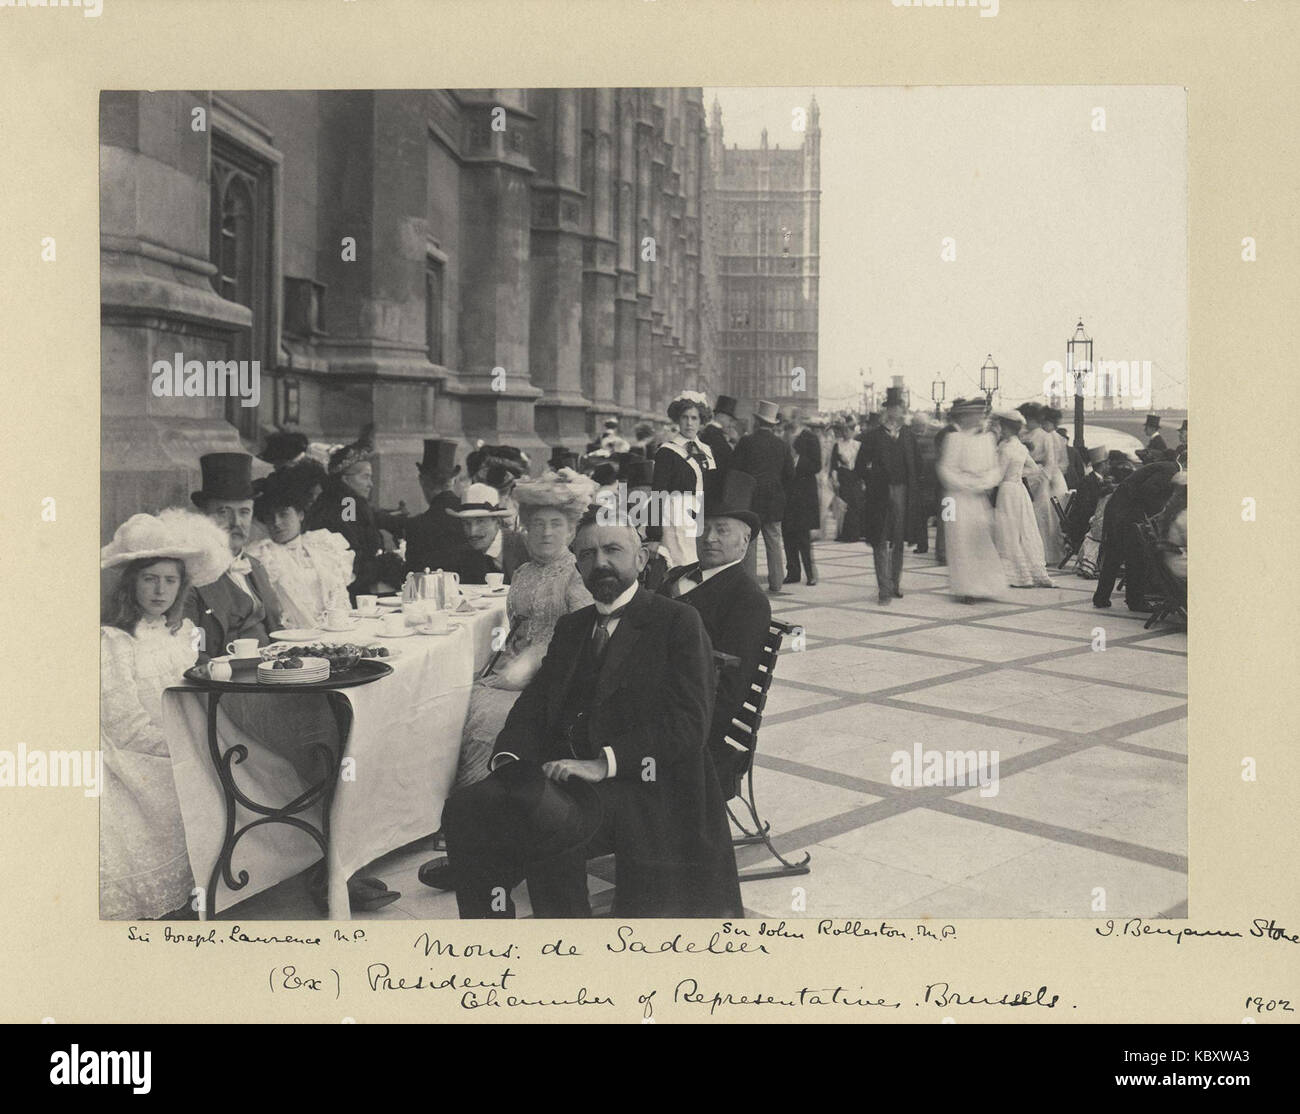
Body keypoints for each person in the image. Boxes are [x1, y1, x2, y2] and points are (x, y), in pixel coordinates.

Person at [439, 511, 743, 919]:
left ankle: (568, 940)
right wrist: (509, 759)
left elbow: (688, 725)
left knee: (548, 821)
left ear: (640, 559)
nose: (599, 562)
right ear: (577, 565)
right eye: (587, 553)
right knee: (466, 807)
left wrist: (603, 763)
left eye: (613, 550)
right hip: (567, 772)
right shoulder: (573, 626)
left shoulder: (677, 622)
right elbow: (537, 703)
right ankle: (490, 934)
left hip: (648, 781)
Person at [100, 509, 231, 919]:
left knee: (256, 767)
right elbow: (123, 725)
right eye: (150, 579)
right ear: (131, 583)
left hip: (185, 739)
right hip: (137, 756)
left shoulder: (180, 634)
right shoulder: (113, 641)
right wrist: (182, 747)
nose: (161, 590)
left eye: (170, 581)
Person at [657, 470, 771, 787]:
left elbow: (730, 692)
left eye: (722, 530)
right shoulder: (676, 575)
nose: (709, 538)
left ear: (745, 541)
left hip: (688, 725)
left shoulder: (746, 601)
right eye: (704, 527)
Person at [183, 453, 285, 656]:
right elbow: (193, 649)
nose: (236, 522)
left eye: (244, 512)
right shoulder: (193, 575)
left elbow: (276, 629)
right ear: (204, 516)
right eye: (223, 512)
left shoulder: (256, 565)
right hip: (226, 679)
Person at [303, 426, 406, 600]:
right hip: (353, 586)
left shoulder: (345, 500)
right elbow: (352, 546)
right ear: (346, 479)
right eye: (365, 477)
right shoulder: (348, 503)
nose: (371, 484)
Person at [246, 470, 355, 630]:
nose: (276, 523)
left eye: (284, 514)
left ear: (300, 515)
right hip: (288, 638)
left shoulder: (323, 545)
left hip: (332, 633)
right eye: (270, 517)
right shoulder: (260, 555)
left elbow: (339, 597)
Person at [935, 400, 1006, 601]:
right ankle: (966, 588)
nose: (978, 418)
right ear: (964, 417)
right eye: (973, 414)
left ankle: (985, 586)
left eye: (980, 414)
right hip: (957, 498)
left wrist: (985, 483)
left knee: (981, 540)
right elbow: (945, 469)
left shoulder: (987, 440)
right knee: (961, 542)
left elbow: (995, 469)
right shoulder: (954, 439)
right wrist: (966, 484)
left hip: (978, 497)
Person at [856, 387, 920, 605]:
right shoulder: (872, 437)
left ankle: (895, 583)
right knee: (880, 540)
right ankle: (884, 589)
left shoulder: (909, 437)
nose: (895, 412)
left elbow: (917, 467)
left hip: (902, 491)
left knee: (900, 540)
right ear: (886, 411)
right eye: (891, 408)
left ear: (903, 410)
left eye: (899, 408)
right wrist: (873, 478)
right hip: (879, 494)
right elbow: (859, 467)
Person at [1092, 458, 1181, 611]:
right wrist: (1157, 514)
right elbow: (1147, 491)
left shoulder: (1168, 468)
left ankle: (1102, 597)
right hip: (1127, 513)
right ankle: (1135, 601)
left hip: (1119, 510)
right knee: (1136, 556)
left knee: (1114, 555)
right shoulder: (1170, 471)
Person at [644, 390, 716, 572]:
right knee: (682, 568)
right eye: (685, 417)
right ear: (678, 419)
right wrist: (654, 535)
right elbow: (658, 493)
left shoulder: (706, 450)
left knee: (703, 568)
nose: (689, 423)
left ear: (701, 421)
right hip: (676, 519)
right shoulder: (667, 451)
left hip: (702, 517)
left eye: (694, 418)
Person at [729, 399, 794, 594]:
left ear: (757, 421)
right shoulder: (782, 445)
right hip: (774, 499)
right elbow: (790, 474)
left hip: (752, 498)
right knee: (774, 541)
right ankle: (776, 583)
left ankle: (750, 586)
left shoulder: (747, 442)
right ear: (773, 424)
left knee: (751, 543)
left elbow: (735, 469)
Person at [990, 410, 1054, 588]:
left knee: (1008, 530)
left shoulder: (1005, 448)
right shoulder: (1021, 447)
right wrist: (1017, 474)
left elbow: (998, 475)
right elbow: (1035, 469)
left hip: (1007, 492)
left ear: (1006, 428)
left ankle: (1017, 575)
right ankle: (1031, 572)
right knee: (1023, 529)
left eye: (1001, 426)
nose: (1000, 430)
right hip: (1020, 490)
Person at [445, 482, 530, 584]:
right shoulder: (464, 555)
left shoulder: (524, 545)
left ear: (497, 522)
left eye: (480, 522)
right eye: (467, 524)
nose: (473, 532)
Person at [403, 439, 467, 575]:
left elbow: (412, 578)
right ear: (453, 480)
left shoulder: (417, 525)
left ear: (422, 481)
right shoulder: (470, 516)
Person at [782, 409, 822, 585]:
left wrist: (798, 461)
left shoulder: (810, 438)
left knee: (803, 535)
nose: (787, 423)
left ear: (797, 418)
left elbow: (817, 465)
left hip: (804, 493)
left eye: (789, 419)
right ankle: (793, 572)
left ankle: (811, 573)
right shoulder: (783, 437)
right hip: (787, 492)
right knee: (788, 533)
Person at [1064, 445, 1112, 553]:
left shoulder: (1099, 480)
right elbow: (1083, 508)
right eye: (1107, 463)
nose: (1109, 466)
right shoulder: (1087, 482)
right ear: (1103, 465)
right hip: (1083, 525)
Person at [932, 402, 962, 564]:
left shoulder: (953, 433)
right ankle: (943, 552)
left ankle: (948, 551)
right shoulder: (947, 434)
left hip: (955, 483)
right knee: (947, 517)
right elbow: (943, 458)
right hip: (947, 483)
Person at [829, 420, 864, 542]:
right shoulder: (837, 445)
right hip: (843, 476)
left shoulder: (858, 445)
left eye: (848, 430)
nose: (846, 433)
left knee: (855, 504)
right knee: (844, 505)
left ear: (853, 432)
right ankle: (843, 533)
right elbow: (833, 465)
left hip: (855, 476)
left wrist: (863, 479)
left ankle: (855, 533)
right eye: (844, 430)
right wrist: (835, 479)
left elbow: (862, 463)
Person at [909, 412, 938, 554]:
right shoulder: (913, 438)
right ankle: (928, 546)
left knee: (926, 517)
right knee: (923, 516)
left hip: (931, 486)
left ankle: (928, 546)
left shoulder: (926, 439)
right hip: (929, 486)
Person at [699, 394, 736, 473]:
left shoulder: (707, 431)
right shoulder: (716, 436)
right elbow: (728, 459)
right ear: (722, 417)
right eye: (730, 420)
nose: (730, 424)